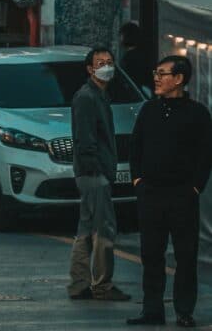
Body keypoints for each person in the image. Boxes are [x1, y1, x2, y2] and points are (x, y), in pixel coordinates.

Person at [127, 54, 212, 328]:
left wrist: (195, 187)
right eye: (156, 73)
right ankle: (152, 310)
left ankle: (184, 311)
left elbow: (206, 154)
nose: (156, 78)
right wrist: (137, 180)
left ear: (178, 79)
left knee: (185, 256)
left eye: (162, 74)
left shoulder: (197, 113)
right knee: (151, 254)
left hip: (182, 195)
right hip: (150, 193)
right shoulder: (149, 109)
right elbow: (135, 146)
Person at [67, 46, 131, 303]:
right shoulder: (87, 97)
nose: (107, 66)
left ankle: (79, 283)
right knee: (104, 229)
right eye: (100, 63)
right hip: (93, 172)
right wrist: (97, 170)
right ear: (90, 69)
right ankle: (102, 285)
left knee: (86, 227)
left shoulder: (100, 96)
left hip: (93, 171)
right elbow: (85, 140)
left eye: (110, 62)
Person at [119, 22, 154, 94]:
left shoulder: (129, 57)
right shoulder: (143, 55)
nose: (120, 39)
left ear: (127, 36)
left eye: (121, 35)